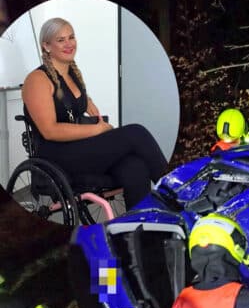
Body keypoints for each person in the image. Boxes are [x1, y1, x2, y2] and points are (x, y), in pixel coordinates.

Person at [22, 17, 167, 209]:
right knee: (136, 133)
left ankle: (139, 229)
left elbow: (67, 102)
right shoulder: (37, 80)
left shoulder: (71, 74)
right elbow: (50, 130)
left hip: (80, 148)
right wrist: (98, 130)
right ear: (46, 46)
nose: (69, 44)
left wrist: (86, 101)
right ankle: (178, 192)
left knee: (136, 167)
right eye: (61, 40)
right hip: (57, 156)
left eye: (71, 37)